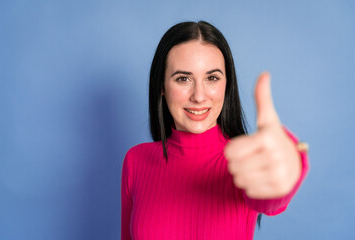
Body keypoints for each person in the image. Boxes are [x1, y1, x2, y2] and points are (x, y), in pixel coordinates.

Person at [121, 21, 309, 240]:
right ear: (161, 86)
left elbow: (272, 199)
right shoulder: (135, 161)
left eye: (212, 78)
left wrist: (290, 164)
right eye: (183, 78)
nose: (199, 96)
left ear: (226, 84)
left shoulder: (244, 160)